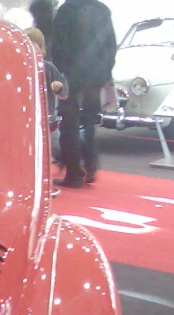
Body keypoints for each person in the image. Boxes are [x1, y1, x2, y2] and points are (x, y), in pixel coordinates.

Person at [52, 0, 116, 188]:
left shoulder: (67, 10)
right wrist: (105, 73)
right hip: (95, 75)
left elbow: (60, 46)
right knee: (88, 122)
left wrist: (62, 73)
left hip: (73, 74)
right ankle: (91, 165)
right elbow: (110, 46)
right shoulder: (102, 10)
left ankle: (74, 173)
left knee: (69, 123)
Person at [24, 27, 68, 119]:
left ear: (41, 49)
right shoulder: (20, 67)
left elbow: (64, 92)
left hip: (46, 117)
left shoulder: (48, 68)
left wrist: (59, 87)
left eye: (34, 47)